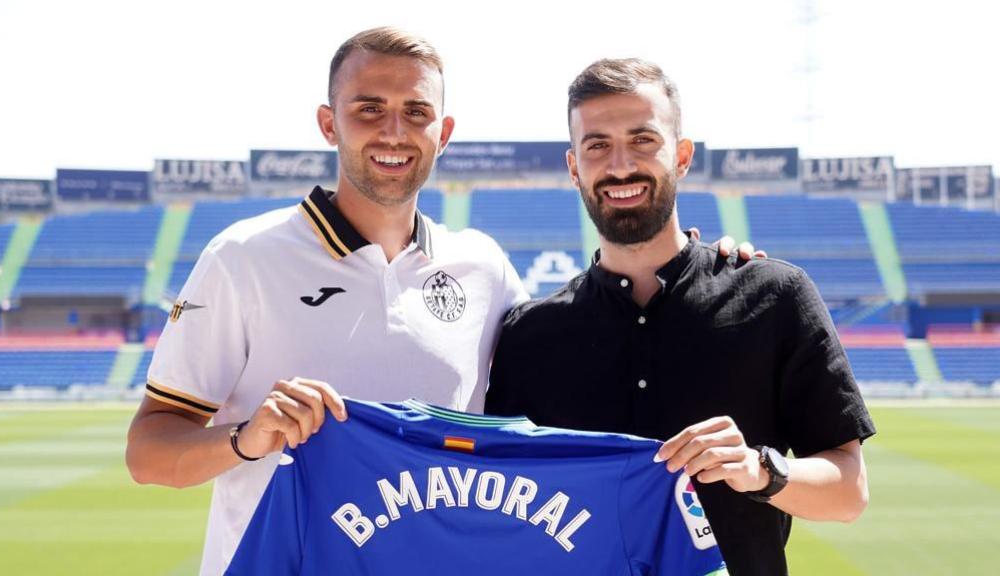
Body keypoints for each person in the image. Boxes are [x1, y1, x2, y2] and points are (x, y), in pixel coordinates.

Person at [126, 28, 753, 575]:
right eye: (369, 108)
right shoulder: (242, 258)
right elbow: (148, 452)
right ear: (328, 122)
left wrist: (708, 264)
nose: (394, 131)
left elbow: (582, 333)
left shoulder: (483, 267)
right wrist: (246, 439)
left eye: (416, 111)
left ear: (443, 132)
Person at [485, 58, 875, 576]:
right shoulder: (527, 336)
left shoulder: (775, 295)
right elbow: (498, 508)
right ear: (574, 166)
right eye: (597, 145)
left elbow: (849, 493)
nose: (621, 165)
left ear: (682, 155)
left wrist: (760, 470)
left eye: (643, 140)